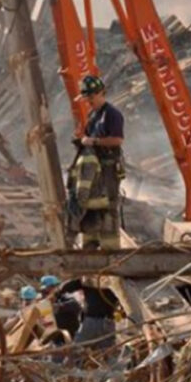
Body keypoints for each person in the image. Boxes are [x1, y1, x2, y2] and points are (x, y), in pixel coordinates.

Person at [74, 75, 125, 249]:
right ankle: (90, 246)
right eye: (86, 98)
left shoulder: (112, 114)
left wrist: (94, 142)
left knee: (109, 208)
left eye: (91, 97)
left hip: (109, 169)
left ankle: (111, 250)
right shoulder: (93, 115)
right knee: (91, 206)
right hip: (95, 170)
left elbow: (117, 140)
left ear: (101, 93)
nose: (88, 101)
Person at [58, 277, 121, 351]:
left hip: (91, 321)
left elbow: (67, 288)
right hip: (108, 322)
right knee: (108, 353)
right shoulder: (115, 279)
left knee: (75, 351)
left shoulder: (88, 280)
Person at [40, 274, 82, 339]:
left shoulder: (65, 296)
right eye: (45, 290)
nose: (47, 292)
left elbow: (76, 306)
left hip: (71, 334)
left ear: (55, 287)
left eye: (49, 289)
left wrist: (59, 307)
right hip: (56, 336)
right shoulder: (44, 302)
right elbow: (45, 319)